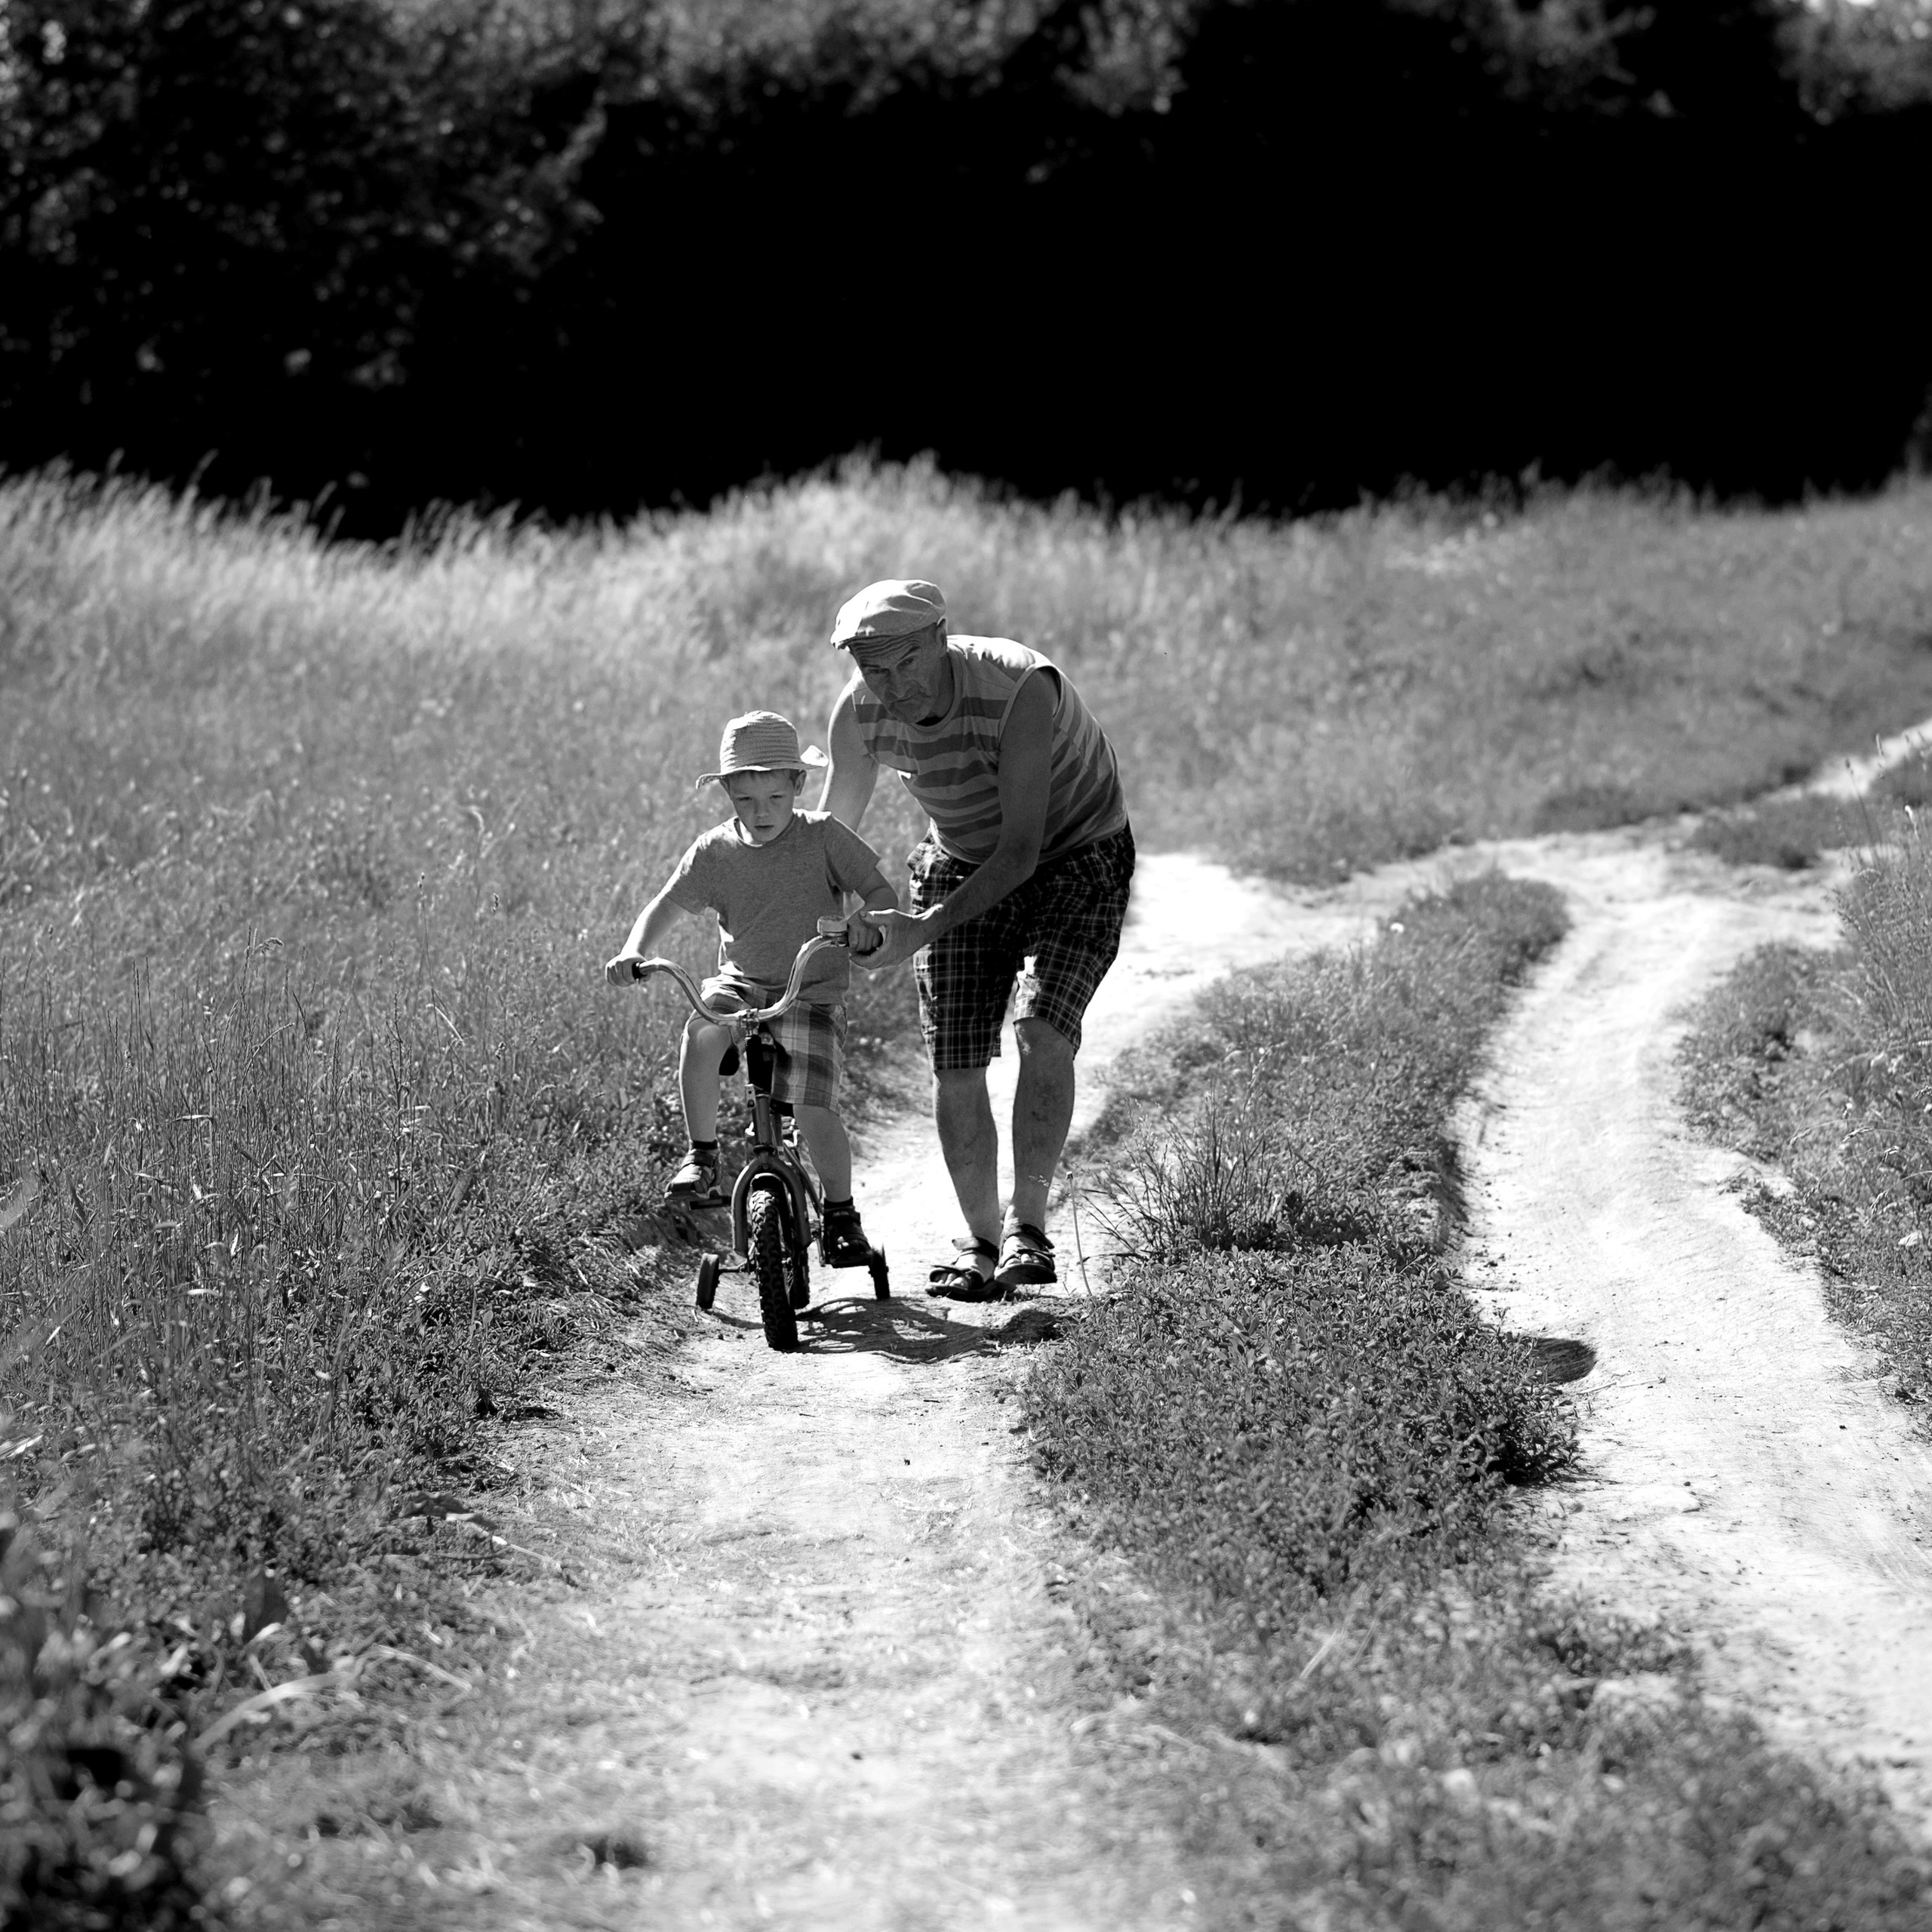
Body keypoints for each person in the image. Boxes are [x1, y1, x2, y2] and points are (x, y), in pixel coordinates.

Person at [819, 579, 1134, 1299]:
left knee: (1042, 1031)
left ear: (940, 638)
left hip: (1075, 852)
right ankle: (981, 1242)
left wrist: (922, 928)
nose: (892, 685)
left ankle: (1029, 1229)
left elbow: (1021, 853)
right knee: (955, 1057)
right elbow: (830, 839)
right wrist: (799, 926)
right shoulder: (862, 714)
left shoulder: (1020, 685)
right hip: (958, 855)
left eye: (905, 662)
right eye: (874, 668)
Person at [606, 709, 900, 1266]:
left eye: (774, 798)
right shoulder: (715, 851)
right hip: (741, 987)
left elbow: (879, 890)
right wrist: (634, 950)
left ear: (798, 785)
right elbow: (665, 905)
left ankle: (840, 1214)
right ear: (727, 794)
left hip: (808, 991)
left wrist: (869, 921)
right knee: (702, 1032)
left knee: (814, 1110)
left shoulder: (823, 837)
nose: (760, 813)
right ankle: (703, 1156)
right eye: (745, 801)